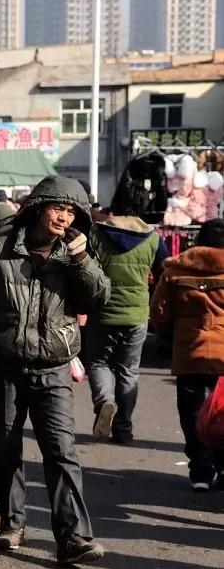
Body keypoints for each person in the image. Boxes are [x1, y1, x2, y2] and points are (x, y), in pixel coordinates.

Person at [0, 176, 110, 564]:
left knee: (62, 451)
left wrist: (81, 260)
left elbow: (97, 298)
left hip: (54, 366)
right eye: (58, 208)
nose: (64, 216)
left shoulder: (77, 252)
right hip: (5, 365)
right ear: (38, 207)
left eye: (72, 211)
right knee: (7, 448)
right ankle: (12, 524)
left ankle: (72, 537)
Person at [84, 184, 166, 445]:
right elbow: (165, 271)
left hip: (102, 311)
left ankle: (105, 402)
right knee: (128, 371)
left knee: (98, 362)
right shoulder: (153, 238)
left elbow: (84, 269)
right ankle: (124, 427)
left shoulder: (96, 233)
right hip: (136, 313)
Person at [149, 218, 224, 491]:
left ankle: (201, 471)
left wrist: (170, 337)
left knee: (192, 412)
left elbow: (158, 311)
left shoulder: (176, 270)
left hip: (190, 351)